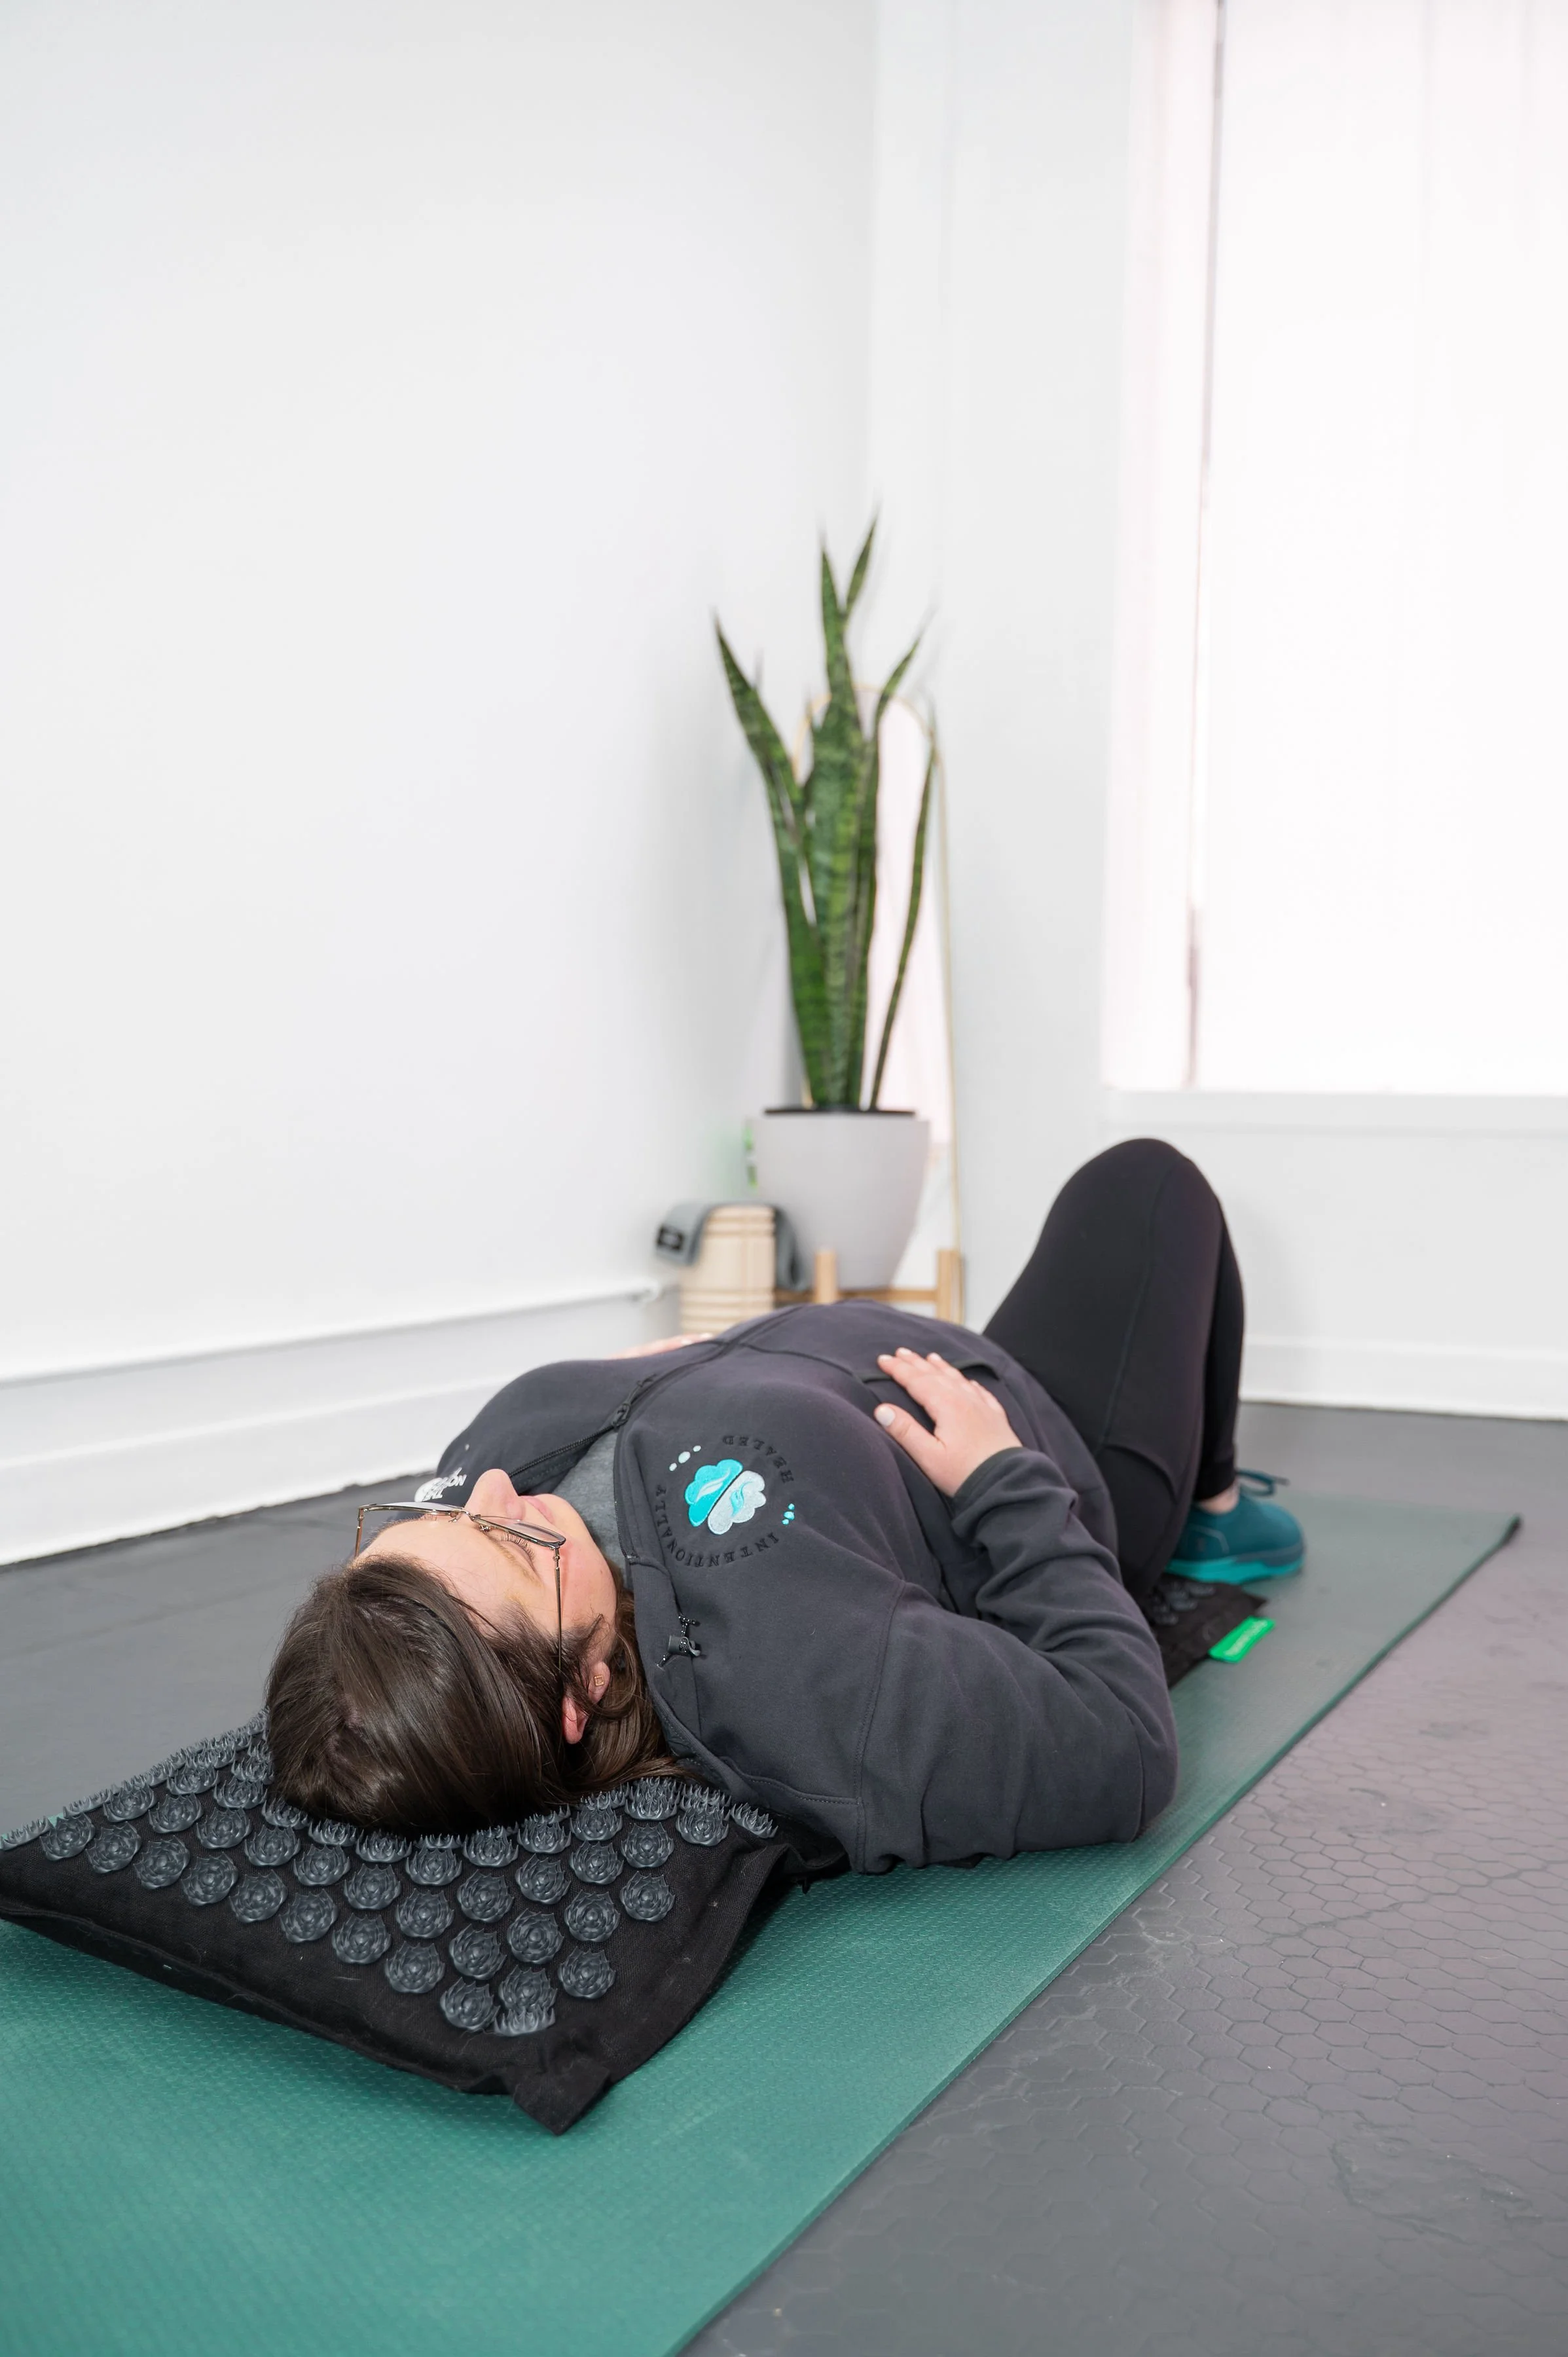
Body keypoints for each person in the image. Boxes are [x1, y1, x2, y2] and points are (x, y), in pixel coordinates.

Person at [267, 1139, 1303, 1872]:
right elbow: (1120, 1741)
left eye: (429, 1522)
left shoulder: (455, 1565)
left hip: (860, 1360)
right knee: (1148, 1188)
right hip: (1048, 1442)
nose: (493, 1490)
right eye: (512, 1539)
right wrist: (1007, 1486)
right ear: (581, 1687)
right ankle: (1207, 1514)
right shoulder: (805, 1690)